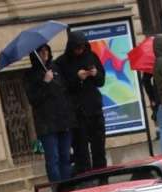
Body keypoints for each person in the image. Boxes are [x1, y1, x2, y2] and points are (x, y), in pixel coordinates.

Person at [60, 31, 107, 173]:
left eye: (82, 47)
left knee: (99, 148)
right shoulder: (62, 62)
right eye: (77, 48)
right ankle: (86, 179)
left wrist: (95, 74)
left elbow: (101, 81)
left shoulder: (91, 56)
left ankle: (102, 178)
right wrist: (78, 78)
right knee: (81, 151)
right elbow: (62, 87)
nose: (80, 51)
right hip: (77, 113)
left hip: (94, 110)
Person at [25, 46, 74, 183]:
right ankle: (58, 189)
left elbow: (64, 90)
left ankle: (68, 187)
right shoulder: (30, 75)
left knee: (66, 157)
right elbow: (33, 99)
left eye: (46, 50)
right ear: (35, 54)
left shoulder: (55, 68)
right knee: (53, 159)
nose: (45, 53)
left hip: (63, 120)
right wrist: (45, 82)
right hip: (46, 124)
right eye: (41, 51)